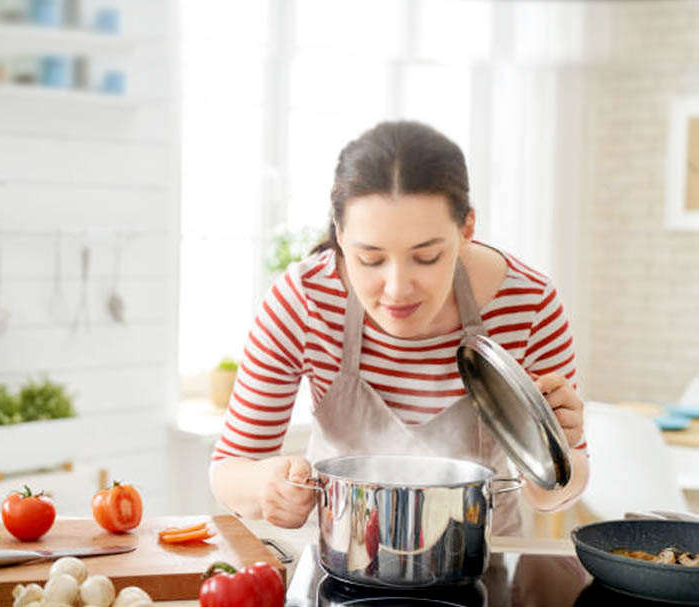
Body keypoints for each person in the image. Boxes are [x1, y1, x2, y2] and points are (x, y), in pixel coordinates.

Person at [209, 120, 589, 532]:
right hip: (343, 558)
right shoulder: (304, 300)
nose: (397, 289)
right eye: (370, 259)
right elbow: (230, 469)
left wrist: (557, 451)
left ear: (466, 231)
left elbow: (555, 494)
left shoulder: (528, 303)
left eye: (426, 257)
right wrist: (265, 487)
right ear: (340, 234)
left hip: (484, 563)